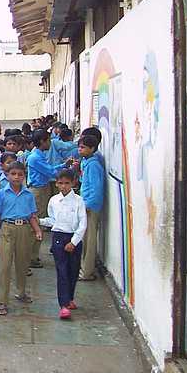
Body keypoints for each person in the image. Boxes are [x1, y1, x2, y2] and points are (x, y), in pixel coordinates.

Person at [0, 162, 41, 316]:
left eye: (20, 174)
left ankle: (21, 292)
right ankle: (2, 301)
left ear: (24, 175)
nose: (17, 177)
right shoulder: (1, 194)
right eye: (13, 174)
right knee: (5, 265)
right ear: (7, 175)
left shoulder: (28, 195)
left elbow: (32, 215)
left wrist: (37, 230)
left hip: (25, 229)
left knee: (22, 263)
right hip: (7, 228)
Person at [41, 169, 86, 319]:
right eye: (60, 183)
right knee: (62, 272)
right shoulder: (54, 200)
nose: (63, 186)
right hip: (59, 238)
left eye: (67, 183)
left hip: (74, 238)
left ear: (73, 183)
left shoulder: (79, 201)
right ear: (56, 183)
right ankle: (63, 304)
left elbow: (83, 224)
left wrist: (74, 242)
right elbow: (53, 220)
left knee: (73, 270)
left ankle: (70, 298)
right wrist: (39, 221)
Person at [26, 129, 68, 269]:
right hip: (38, 191)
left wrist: (63, 165)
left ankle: (33, 255)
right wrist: (65, 169)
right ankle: (31, 256)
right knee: (36, 223)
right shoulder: (35, 157)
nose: (50, 143)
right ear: (42, 141)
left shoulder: (39, 155)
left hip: (42, 189)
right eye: (48, 140)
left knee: (40, 221)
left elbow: (49, 169)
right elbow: (50, 171)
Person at [78, 134, 105, 281]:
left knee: (89, 239)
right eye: (79, 147)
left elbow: (96, 188)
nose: (80, 150)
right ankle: (85, 268)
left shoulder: (94, 165)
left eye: (83, 147)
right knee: (85, 237)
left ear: (92, 148)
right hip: (86, 203)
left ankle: (87, 271)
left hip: (91, 206)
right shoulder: (87, 162)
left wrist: (88, 205)